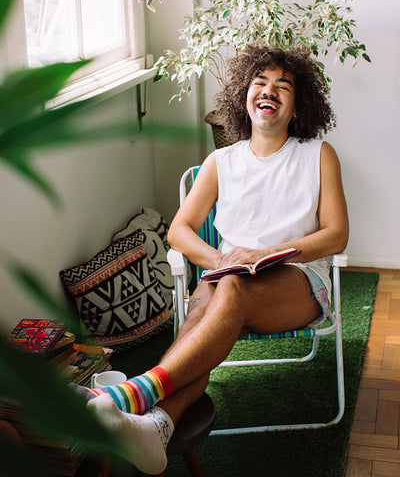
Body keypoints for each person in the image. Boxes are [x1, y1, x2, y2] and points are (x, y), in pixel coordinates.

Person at [76, 45, 349, 475]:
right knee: (200, 319)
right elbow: (179, 231)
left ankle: (132, 394)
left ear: (298, 107)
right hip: (229, 274)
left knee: (226, 294)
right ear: (245, 96)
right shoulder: (220, 161)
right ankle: (157, 427)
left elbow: (336, 234)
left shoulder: (317, 155)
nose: (269, 91)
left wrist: (266, 255)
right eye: (260, 82)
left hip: (296, 279)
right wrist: (222, 259)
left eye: (283, 86)